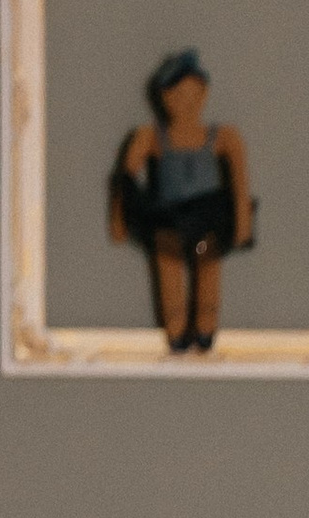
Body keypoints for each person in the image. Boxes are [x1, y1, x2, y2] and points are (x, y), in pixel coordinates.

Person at [107, 48, 254, 354]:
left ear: (203, 94)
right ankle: (175, 329)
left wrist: (243, 222)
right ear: (163, 98)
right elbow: (126, 179)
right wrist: (119, 219)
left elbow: (240, 183)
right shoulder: (150, 136)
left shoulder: (223, 136)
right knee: (169, 267)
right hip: (168, 222)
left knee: (207, 266)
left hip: (207, 221)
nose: (183, 103)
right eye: (175, 95)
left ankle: (205, 327)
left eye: (191, 95)